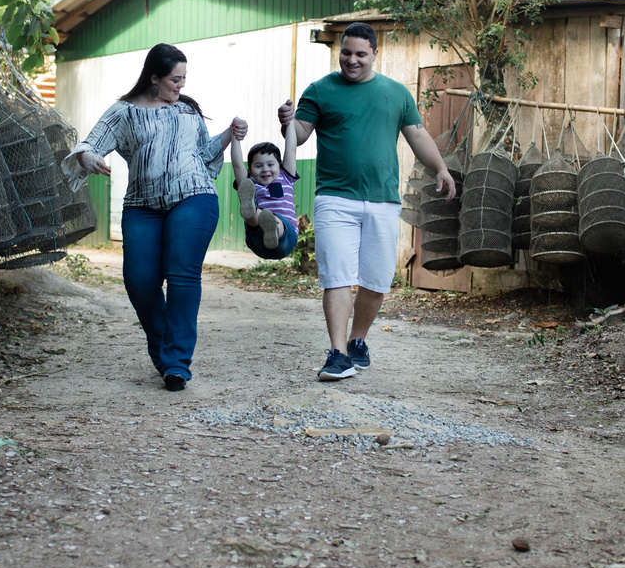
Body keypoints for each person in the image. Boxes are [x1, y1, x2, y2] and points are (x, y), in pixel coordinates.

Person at [277, 21, 456, 381]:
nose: (352, 60)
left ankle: (357, 341)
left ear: (375, 53)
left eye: (360, 54)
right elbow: (300, 134)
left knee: (376, 281)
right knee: (338, 276)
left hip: (382, 201)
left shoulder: (396, 93)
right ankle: (337, 353)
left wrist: (441, 168)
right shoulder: (320, 90)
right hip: (335, 198)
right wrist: (287, 122)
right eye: (346, 53)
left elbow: (418, 135)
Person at [65, 44, 247, 391]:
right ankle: (166, 351)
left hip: (194, 196)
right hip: (142, 205)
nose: (181, 85)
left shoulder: (187, 110)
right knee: (139, 280)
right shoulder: (124, 112)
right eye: (175, 80)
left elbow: (205, 153)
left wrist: (230, 132)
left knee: (181, 275)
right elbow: (90, 144)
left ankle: (176, 363)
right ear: (153, 78)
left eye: (184, 78)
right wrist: (88, 158)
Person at [229, 119, 300, 260]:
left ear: (280, 166)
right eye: (258, 166)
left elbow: (291, 150)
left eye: (270, 164)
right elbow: (237, 164)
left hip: (285, 238)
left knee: (273, 219)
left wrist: (290, 121)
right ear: (250, 170)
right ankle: (254, 213)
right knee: (255, 212)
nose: (265, 169)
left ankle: (271, 227)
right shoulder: (250, 185)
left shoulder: (285, 177)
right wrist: (234, 135)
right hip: (257, 240)